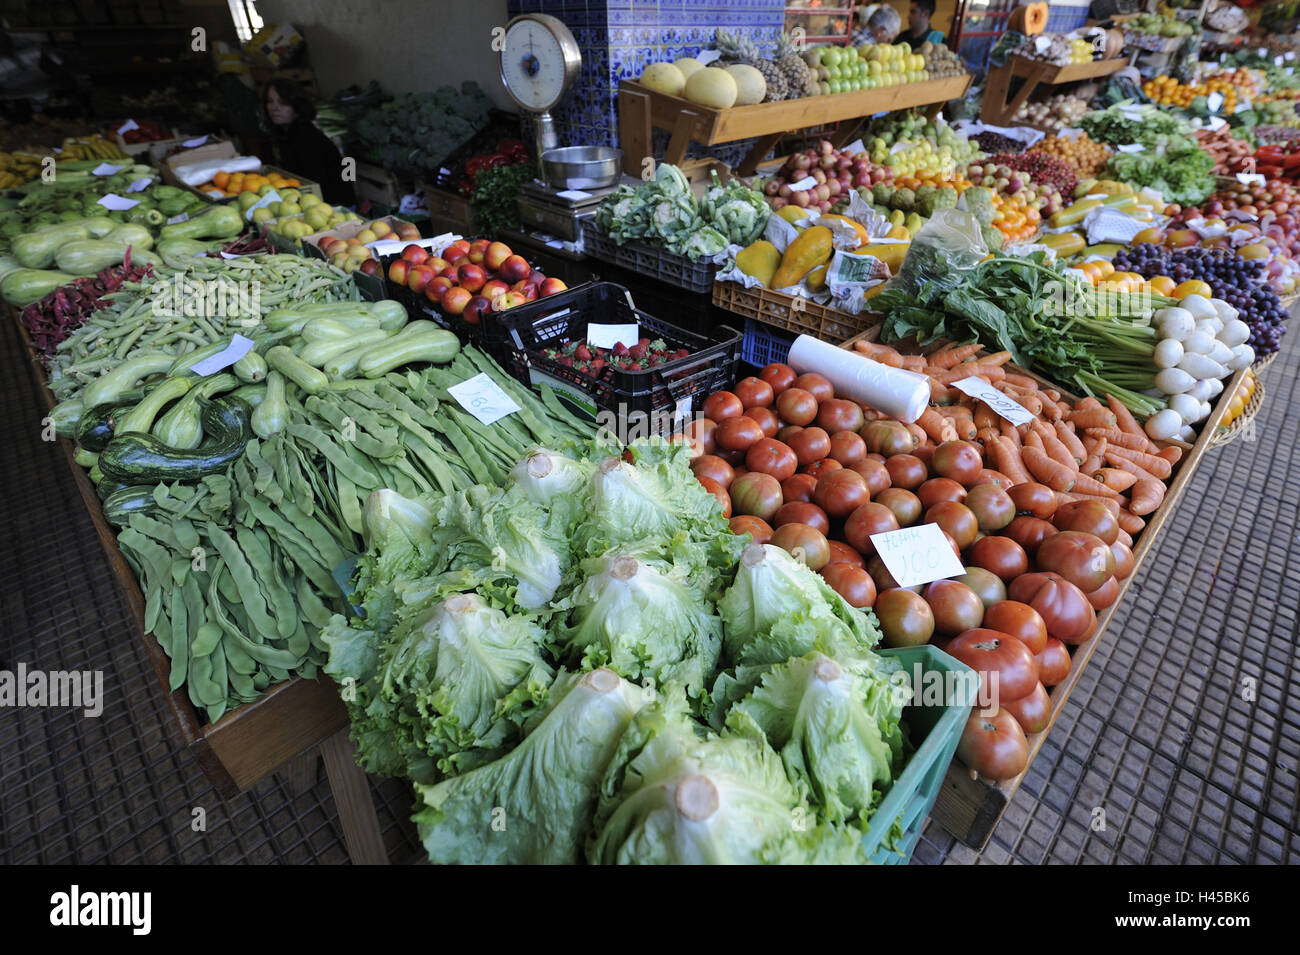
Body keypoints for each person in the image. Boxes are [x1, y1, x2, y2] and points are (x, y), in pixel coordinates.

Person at [264, 78, 355, 206]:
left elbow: (315, 185)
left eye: (283, 103)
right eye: (270, 101)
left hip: (334, 205)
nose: (275, 108)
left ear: (296, 106)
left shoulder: (306, 138)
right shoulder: (285, 134)